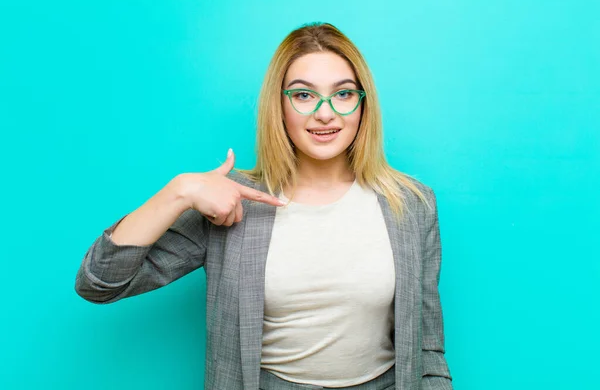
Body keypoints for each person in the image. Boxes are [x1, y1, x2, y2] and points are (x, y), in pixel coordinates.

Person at [75, 22, 453, 390]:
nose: (325, 113)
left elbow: (427, 349)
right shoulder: (230, 200)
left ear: (362, 104)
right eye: (304, 95)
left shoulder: (412, 203)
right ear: (280, 106)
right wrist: (178, 192)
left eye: (343, 93)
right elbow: (100, 283)